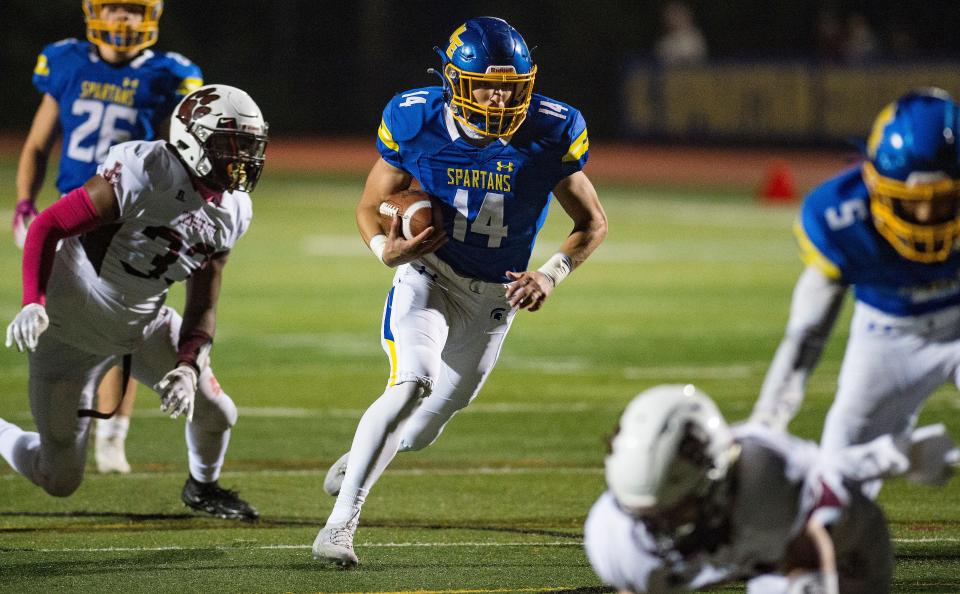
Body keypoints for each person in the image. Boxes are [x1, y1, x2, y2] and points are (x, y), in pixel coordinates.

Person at [311, 16, 608, 568]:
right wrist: (386, 249)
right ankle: (339, 525)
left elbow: (592, 222)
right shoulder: (415, 117)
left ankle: (359, 456)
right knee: (411, 384)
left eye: (511, 88)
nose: (498, 99)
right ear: (453, 81)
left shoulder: (553, 128)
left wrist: (549, 274)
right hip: (430, 274)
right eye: (486, 86)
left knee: (422, 431)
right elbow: (372, 201)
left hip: (495, 297)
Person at [0, 84, 267, 521]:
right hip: (70, 334)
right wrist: (33, 300)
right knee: (59, 478)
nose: (244, 159)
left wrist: (187, 363)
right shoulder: (146, 170)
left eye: (251, 147)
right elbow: (48, 226)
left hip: (142, 325)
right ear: (193, 139)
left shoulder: (233, 210)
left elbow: (203, 303)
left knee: (218, 413)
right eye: (231, 146)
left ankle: (202, 488)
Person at [13, 0, 203, 474]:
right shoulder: (67, 60)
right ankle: (66, 418)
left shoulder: (167, 73)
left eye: (135, 11)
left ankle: (113, 433)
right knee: (71, 326)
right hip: (76, 215)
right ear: (95, 11)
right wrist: (24, 201)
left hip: (132, 217)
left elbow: (173, 152)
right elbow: (38, 143)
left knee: (128, 323)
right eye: (117, 8)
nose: (125, 20)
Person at [749, 89, 960, 469]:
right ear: (873, 182)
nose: (927, 217)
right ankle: (897, 456)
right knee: (837, 481)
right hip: (888, 334)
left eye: (944, 201)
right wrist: (768, 420)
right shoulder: (840, 218)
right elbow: (807, 333)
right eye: (911, 202)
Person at [585, 384, 959, 594]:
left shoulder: (773, 483)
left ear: (716, 477)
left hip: (842, 545)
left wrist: (901, 456)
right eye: (645, 514)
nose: (660, 527)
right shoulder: (614, 534)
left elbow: (812, 555)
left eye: (674, 509)